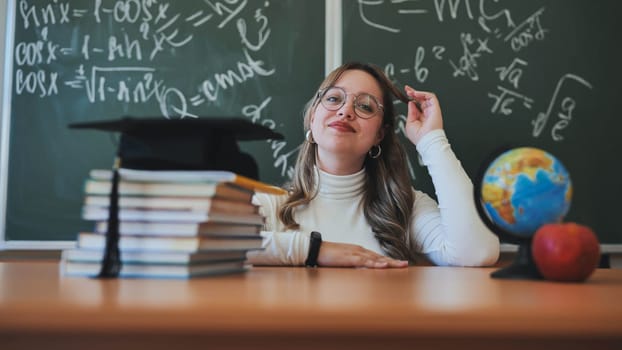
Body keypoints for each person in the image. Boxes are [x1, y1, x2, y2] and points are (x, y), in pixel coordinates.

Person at [246, 62, 499, 268]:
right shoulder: (271, 206)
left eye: (365, 105)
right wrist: (315, 251)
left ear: (380, 134)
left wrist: (431, 140)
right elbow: (212, 248)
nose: (345, 111)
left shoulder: (405, 210)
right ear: (313, 118)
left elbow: (476, 253)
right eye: (334, 99)